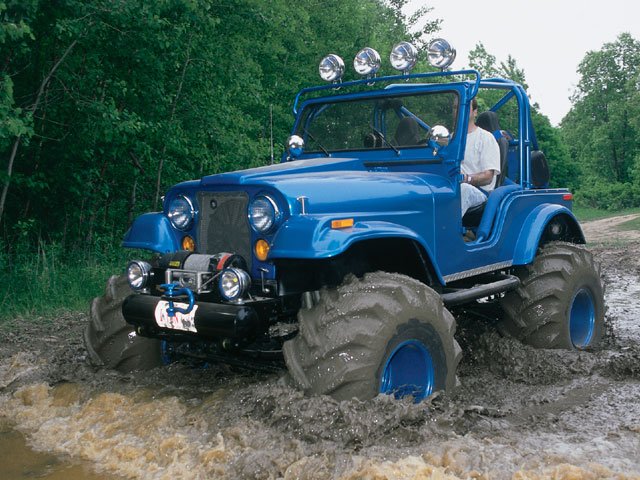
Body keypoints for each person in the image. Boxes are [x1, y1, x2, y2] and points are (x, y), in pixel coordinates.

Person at [460, 98, 501, 217]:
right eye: (455, 107)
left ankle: (444, 234)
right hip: (452, 186)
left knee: (463, 190)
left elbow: (488, 177)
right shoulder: (450, 139)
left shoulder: (485, 138)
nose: (459, 110)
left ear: (475, 112)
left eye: (465, 106)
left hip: (479, 192)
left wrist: (465, 178)